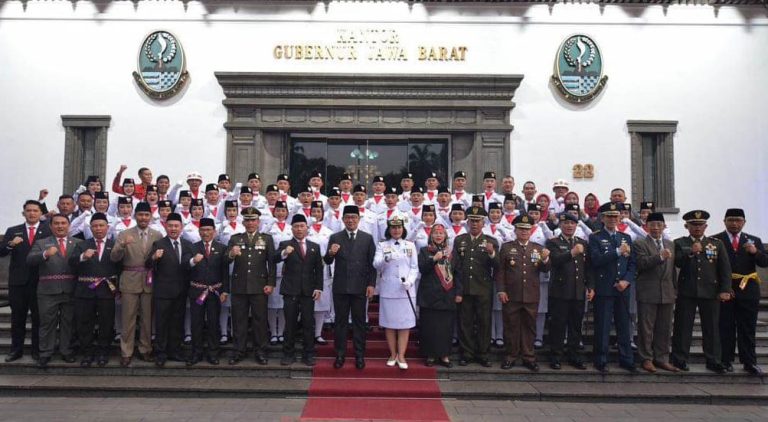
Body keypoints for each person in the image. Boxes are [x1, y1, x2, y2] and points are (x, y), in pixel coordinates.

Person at [671, 210, 733, 373]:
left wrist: (725, 289)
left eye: (700, 225)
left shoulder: (716, 243)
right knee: (683, 327)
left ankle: (713, 359)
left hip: (711, 291)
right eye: (693, 225)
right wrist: (691, 252)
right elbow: (676, 263)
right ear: (686, 226)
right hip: (687, 290)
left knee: (712, 327)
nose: (697, 228)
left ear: (706, 226)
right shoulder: (680, 243)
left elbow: (725, 269)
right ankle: (680, 358)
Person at [715, 208, 768, 375]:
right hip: (726, 288)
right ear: (724, 221)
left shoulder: (754, 240)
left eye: (738, 220)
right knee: (725, 326)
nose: (734, 223)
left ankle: (749, 361)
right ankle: (726, 360)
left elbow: (764, 262)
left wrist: (756, 252)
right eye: (730, 220)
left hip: (748, 289)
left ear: (744, 222)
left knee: (747, 327)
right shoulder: (716, 239)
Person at [110, 202, 163, 367]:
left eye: (147, 215)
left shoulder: (157, 235)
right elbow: (114, 257)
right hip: (130, 279)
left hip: (149, 281)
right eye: (140, 215)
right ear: (135, 215)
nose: (143, 218)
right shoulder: (124, 234)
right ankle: (126, 351)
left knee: (147, 319)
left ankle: (145, 349)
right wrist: (121, 245)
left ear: (151, 216)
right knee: (128, 318)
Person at [323, 205, 377, 370]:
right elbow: (327, 261)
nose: (351, 220)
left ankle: (359, 355)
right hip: (341, 287)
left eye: (354, 217)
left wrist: (371, 284)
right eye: (348, 218)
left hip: (360, 287)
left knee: (359, 323)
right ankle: (340, 354)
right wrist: (331, 253)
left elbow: (372, 265)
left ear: (359, 219)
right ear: (343, 219)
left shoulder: (367, 238)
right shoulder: (335, 237)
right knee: (340, 323)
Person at [496, 214, 551, 371]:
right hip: (511, 294)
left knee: (529, 326)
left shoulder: (538, 248)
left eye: (527, 229)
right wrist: (501, 290)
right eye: (521, 229)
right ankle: (511, 355)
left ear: (532, 230)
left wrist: (546, 259)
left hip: (531, 294)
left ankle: (528, 356)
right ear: (515, 230)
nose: (524, 232)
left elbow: (545, 269)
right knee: (511, 325)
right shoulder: (506, 247)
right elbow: (501, 271)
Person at [26, 214, 81, 368]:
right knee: (47, 323)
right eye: (56, 223)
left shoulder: (78, 243)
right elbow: (30, 260)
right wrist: (44, 254)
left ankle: (66, 350)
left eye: (63, 223)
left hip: (70, 289)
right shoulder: (42, 243)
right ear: (50, 226)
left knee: (68, 323)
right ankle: (45, 352)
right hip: (47, 291)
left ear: (69, 225)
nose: (60, 226)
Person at [589, 202, 637, 373]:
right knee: (602, 326)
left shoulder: (626, 238)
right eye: (608, 216)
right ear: (602, 218)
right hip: (604, 287)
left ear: (619, 218)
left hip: (623, 288)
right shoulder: (595, 237)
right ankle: (601, 359)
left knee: (624, 325)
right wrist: (616, 252)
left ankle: (627, 359)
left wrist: (627, 280)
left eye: (615, 216)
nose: (612, 219)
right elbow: (596, 260)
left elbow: (632, 264)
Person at [1, 200, 51, 363]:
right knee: (18, 318)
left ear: (40, 213)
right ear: (24, 213)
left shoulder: (47, 230)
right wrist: (10, 244)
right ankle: (16, 350)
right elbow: (1, 252)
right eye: (28, 210)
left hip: (40, 281)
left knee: (38, 318)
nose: (32, 213)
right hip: (18, 282)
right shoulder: (13, 231)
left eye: (35, 211)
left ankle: (37, 350)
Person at [69, 213, 120, 367]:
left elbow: (121, 267)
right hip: (85, 291)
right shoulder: (82, 245)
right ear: (90, 228)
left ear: (107, 227)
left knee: (106, 323)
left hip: (107, 291)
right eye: (95, 226)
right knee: (85, 323)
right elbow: (71, 263)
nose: (98, 229)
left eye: (101, 225)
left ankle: (103, 353)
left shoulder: (115, 245)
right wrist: (83, 257)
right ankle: (87, 353)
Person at [227, 207, 276, 365]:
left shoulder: (266, 239)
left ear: (258, 222)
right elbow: (225, 261)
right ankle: (238, 351)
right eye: (247, 220)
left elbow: (272, 263)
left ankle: (260, 351)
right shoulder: (235, 238)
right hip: (239, 286)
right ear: (243, 222)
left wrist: (270, 283)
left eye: (253, 220)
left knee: (259, 321)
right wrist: (231, 254)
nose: (250, 223)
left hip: (259, 286)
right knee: (239, 320)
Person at [452, 206, 499, 367]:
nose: (474, 224)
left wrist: (492, 253)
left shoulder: (491, 241)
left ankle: (483, 353)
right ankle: (467, 352)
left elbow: (498, 265)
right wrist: (457, 289)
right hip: (465, 288)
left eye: (477, 221)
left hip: (483, 288)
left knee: (484, 322)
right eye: (472, 220)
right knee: (465, 321)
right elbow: (456, 267)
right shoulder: (460, 240)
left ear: (483, 223)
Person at [275, 214, 324, 367]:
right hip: (291, 291)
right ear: (292, 229)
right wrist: (284, 253)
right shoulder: (285, 244)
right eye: (296, 226)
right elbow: (274, 258)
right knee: (290, 323)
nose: (299, 229)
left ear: (307, 228)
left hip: (308, 291)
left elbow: (319, 270)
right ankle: (288, 354)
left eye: (302, 226)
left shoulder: (314, 246)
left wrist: (318, 288)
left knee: (308, 323)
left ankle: (308, 354)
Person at [546, 213, 593, 370]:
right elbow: (555, 260)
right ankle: (556, 356)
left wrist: (591, 287)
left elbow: (588, 268)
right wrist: (572, 253)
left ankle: (573, 355)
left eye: (572, 223)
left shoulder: (582, 243)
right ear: (560, 225)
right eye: (566, 223)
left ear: (576, 226)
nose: (569, 226)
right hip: (560, 292)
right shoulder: (553, 242)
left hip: (578, 292)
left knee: (575, 326)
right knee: (558, 325)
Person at [634, 212, 678, 373]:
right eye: (652, 225)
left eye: (659, 225)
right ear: (646, 226)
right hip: (648, 291)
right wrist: (659, 256)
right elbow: (641, 263)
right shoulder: (640, 243)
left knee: (664, 328)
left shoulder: (670, 244)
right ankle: (646, 358)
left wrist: (674, 289)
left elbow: (672, 270)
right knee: (646, 328)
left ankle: (662, 358)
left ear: (664, 226)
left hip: (667, 292)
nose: (656, 228)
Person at [146, 213, 192, 367]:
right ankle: (161, 352)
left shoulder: (187, 244)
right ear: (165, 226)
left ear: (181, 227)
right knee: (162, 323)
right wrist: (154, 258)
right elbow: (147, 265)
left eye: (176, 226)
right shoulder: (159, 244)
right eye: (170, 226)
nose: (173, 228)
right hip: (163, 292)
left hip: (181, 291)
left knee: (177, 322)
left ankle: (175, 351)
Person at [373, 218, 418, 370]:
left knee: (404, 325)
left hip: (405, 290)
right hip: (389, 290)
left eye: (399, 227)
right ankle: (393, 354)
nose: (396, 230)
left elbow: (414, 267)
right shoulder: (382, 245)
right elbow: (376, 265)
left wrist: (410, 281)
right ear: (389, 230)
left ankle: (402, 355)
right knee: (390, 324)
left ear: (403, 229)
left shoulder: (410, 245)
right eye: (393, 228)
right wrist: (386, 259)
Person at [186, 218, 229, 366]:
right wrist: (193, 261)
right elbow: (185, 266)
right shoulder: (192, 247)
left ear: (214, 232)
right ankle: (196, 353)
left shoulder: (222, 248)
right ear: (199, 231)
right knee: (196, 322)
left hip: (214, 291)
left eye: (209, 230)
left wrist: (225, 291)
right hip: (197, 291)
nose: (206, 233)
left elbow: (224, 271)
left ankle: (213, 353)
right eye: (203, 230)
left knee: (213, 322)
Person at [417, 223, 460, 367]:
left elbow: (458, 274)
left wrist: (459, 292)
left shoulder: (452, 253)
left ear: (445, 236)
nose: (438, 236)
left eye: (441, 233)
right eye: (436, 233)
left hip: (447, 295)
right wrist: (434, 258)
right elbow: (422, 269)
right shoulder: (425, 251)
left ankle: (445, 355)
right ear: (431, 235)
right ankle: (430, 355)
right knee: (430, 326)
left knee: (445, 327)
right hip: (429, 295)